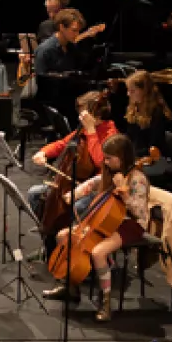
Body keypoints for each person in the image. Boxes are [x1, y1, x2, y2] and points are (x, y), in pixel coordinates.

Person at [52, 133, 153, 320]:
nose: (105, 162)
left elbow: (139, 212)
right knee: (62, 236)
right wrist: (75, 193)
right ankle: (71, 287)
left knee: (98, 252)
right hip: (108, 221)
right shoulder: (110, 173)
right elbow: (94, 182)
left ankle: (106, 302)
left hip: (131, 224)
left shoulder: (137, 178)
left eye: (109, 158)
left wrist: (124, 192)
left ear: (122, 157)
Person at [26, 90, 119, 249]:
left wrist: (91, 132)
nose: (79, 117)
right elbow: (62, 144)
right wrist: (43, 152)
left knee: (79, 206)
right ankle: (49, 242)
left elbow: (100, 162)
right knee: (35, 194)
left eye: (83, 113)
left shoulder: (111, 134)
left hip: (96, 187)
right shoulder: (82, 129)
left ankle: (78, 249)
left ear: (94, 114)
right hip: (75, 182)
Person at [120, 69, 172, 161]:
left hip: (153, 159)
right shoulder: (133, 108)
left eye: (132, 91)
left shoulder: (157, 113)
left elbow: (154, 145)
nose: (128, 94)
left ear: (144, 91)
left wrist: (130, 155)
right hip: (136, 155)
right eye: (128, 90)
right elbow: (130, 137)